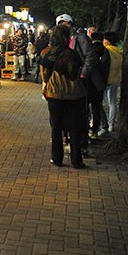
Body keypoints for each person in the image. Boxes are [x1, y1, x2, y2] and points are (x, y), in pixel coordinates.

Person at [39, 25, 87, 169]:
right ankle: (76, 160)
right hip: (74, 95)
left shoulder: (47, 54)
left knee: (56, 127)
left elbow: (45, 75)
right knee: (74, 127)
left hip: (54, 94)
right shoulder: (72, 54)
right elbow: (78, 71)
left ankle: (57, 158)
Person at [55, 14, 101, 154]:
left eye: (66, 23)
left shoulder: (80, 38)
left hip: (81, 81)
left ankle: (81, 143)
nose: (64, 26)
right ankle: (71, 140)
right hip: (67, 82)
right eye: (61, 24)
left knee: (81, 112)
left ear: (70, 24)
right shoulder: (60, 41)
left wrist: (82, 74)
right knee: (68, 112)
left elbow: (90, 57)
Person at [88, 32, 111, 137]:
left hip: (89, 83)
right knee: (97, 107)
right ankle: (95, 130)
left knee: (86, 106)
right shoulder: (106, 51)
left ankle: (87, 128)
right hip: (101, 84)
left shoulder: (90, 49)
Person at [101, 32, 123, 132]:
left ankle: (103, 124)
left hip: (107, 79)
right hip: (116, 79)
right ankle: (111, 124)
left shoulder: (107, 51)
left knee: (99, 102)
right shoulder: (119, 52)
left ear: (107, 41)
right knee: (112, 103)